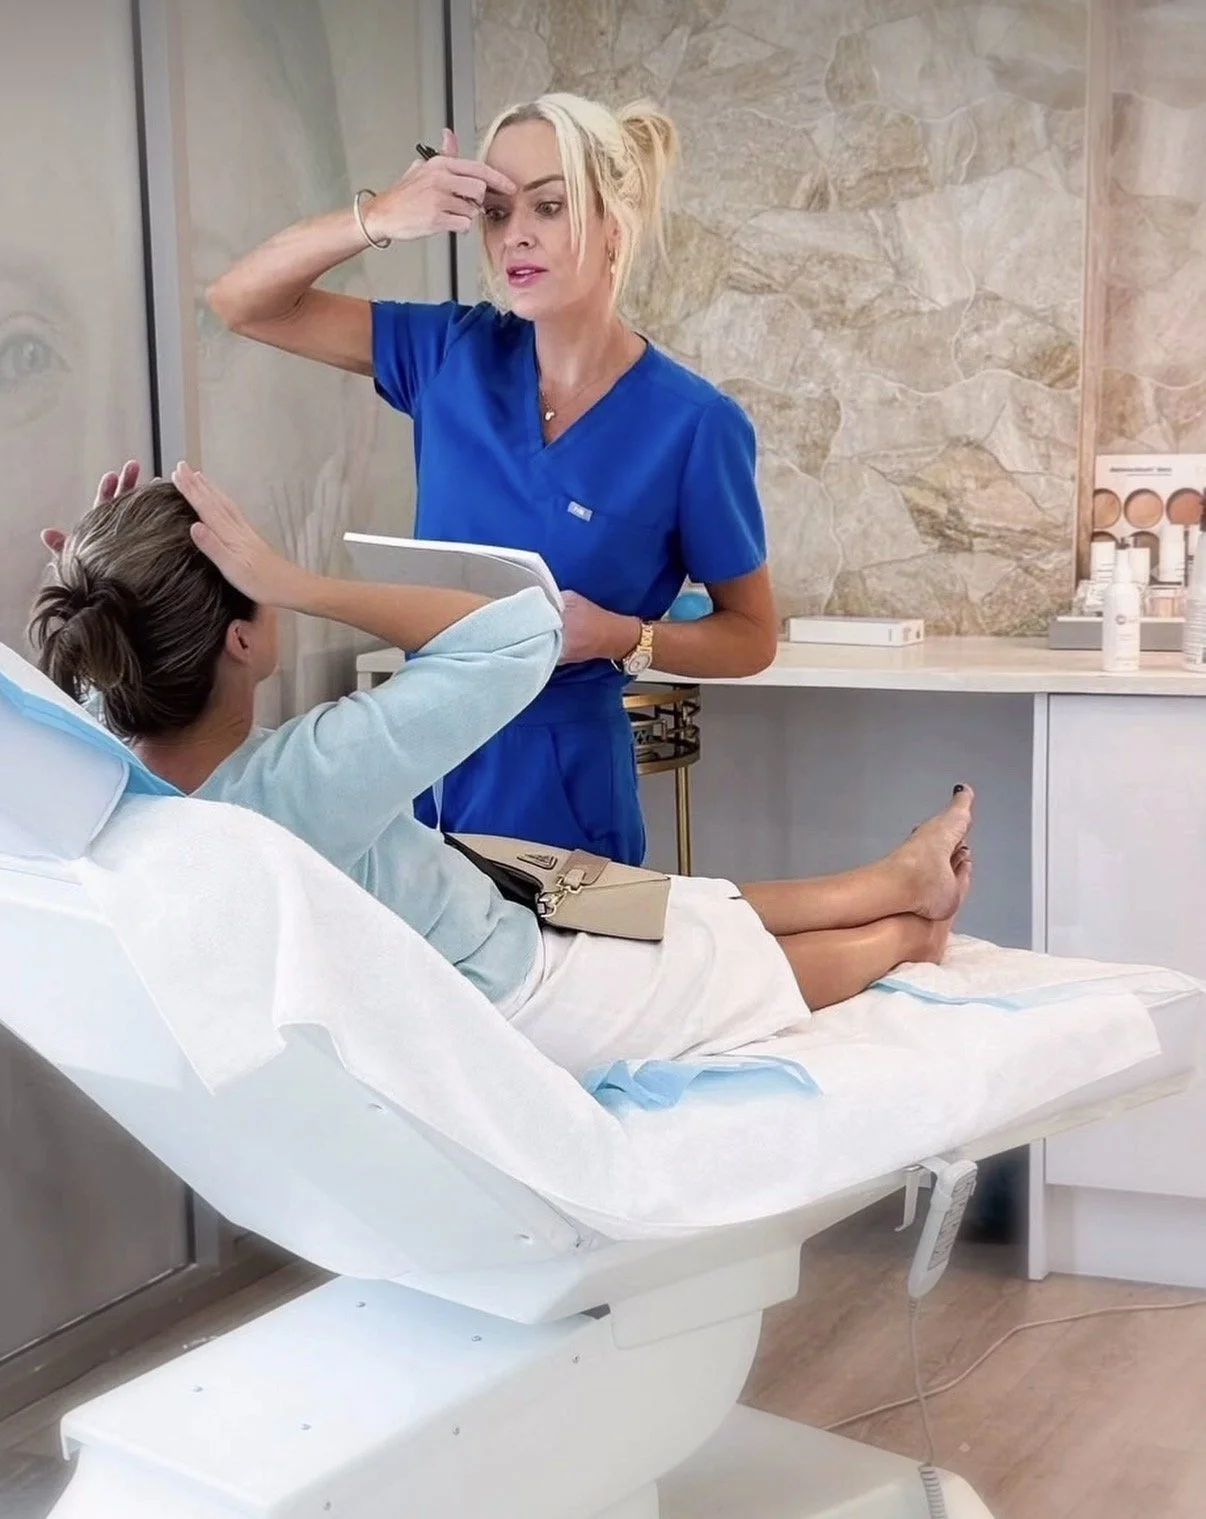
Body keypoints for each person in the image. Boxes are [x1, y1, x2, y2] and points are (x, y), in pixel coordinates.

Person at [28, 468, 973, 1078]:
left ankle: (893, 880)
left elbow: (106, 693)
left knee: (671, 902)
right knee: (734, 965)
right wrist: (302, 585)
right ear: (244, 634)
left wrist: (113, 568)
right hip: (509, 989)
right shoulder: (306, 780)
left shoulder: (110, 779)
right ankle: (905, 937)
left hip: (480, 894)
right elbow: (526, 630)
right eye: (261, 590)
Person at [205, 92, 780, 865]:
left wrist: (625, 636)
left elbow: (751, 637)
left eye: (549, 205)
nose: (518, 237)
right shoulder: (449, 355)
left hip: (565, 791)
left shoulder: (694, 426)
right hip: (417, 766)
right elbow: (240, 302)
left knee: (571, 983)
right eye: (498, 212)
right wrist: (378, 217)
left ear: (615, 225)